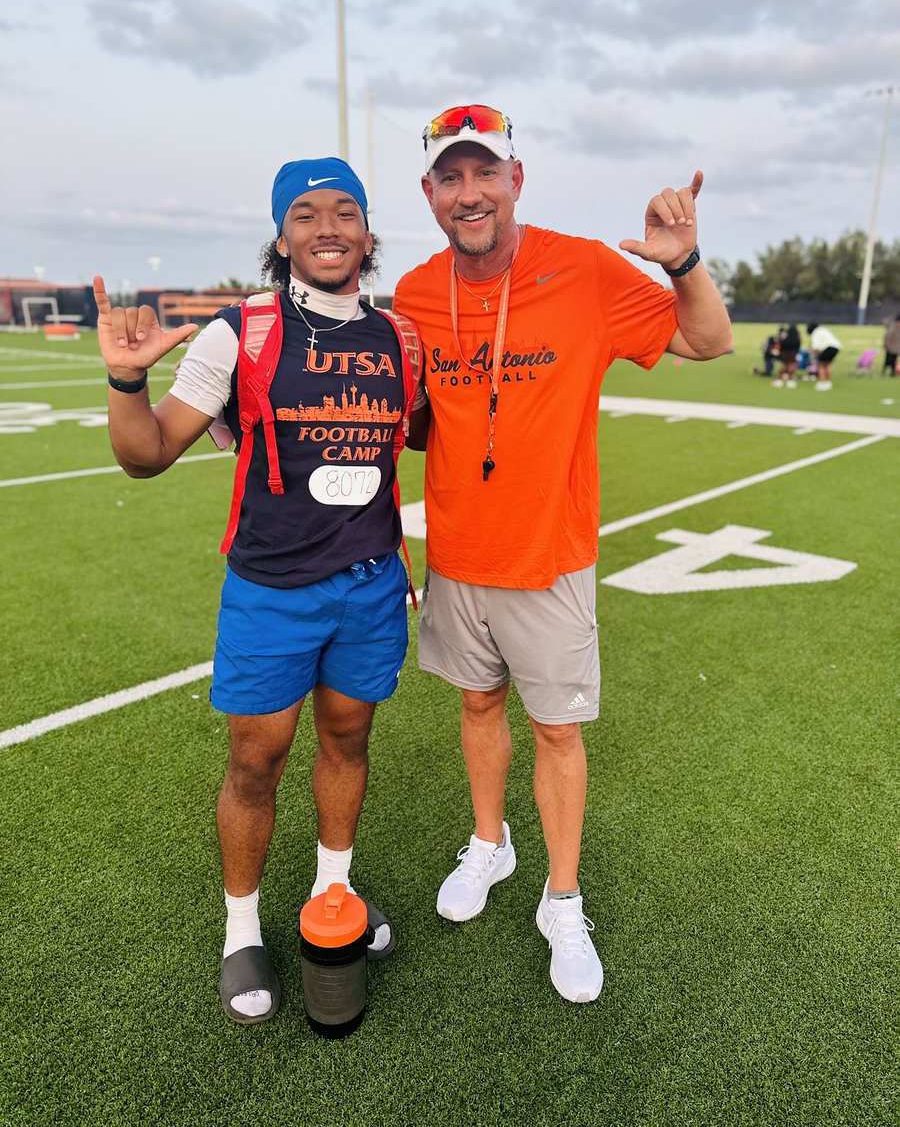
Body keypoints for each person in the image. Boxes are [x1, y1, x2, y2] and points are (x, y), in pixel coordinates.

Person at [394, 104, 732, 1004]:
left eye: (485, 173)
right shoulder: (419, 295)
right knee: (476, 704)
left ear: (517, 178)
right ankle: (491, 844)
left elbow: (708, 340)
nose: (471, 193)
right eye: (451, 177)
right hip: (458, 553)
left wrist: (684, 262)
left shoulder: (582, 267)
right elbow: (403, 415)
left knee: (555, 729)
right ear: (430, 193)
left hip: (549, 553)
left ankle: (562, 896)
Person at [95, 157, 422, 1025]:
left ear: (367, 232)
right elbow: (149, 452)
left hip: (372, 587)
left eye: (344, 212)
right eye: (306, 214)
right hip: (273, 591)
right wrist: (127, 380)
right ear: (282, 238)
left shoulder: (401, 338)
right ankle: (242, 926)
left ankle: (333, 893)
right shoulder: (242, 331)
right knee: (256, 760)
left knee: (348, 743)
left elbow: (425, 435)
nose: (327, 229)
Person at [806, 322, 842, 390]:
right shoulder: (823, 329)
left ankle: (823, 383)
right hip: (837, 347)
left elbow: (815, 347)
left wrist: (813, 357)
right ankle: (828, 382)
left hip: (828, 347)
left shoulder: (815, 333)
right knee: (826, 364)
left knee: (821, 365)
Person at [770, 323, 800, 388]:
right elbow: (798, 347)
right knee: (791, 365)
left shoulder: (786, 337)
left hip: (784, 353)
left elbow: (781, 344)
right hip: (793, 353)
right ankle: (790, 380)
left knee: (784, 364)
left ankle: (780, 379)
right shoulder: (797, 338)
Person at [882, 312, 900, 377]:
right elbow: (888, 337)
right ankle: (884, 372)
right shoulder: (893, 327)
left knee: (893, 361)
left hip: (896, 348)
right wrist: (887, 345)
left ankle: (892, 373)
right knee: (888, 361)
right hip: (891, 348)